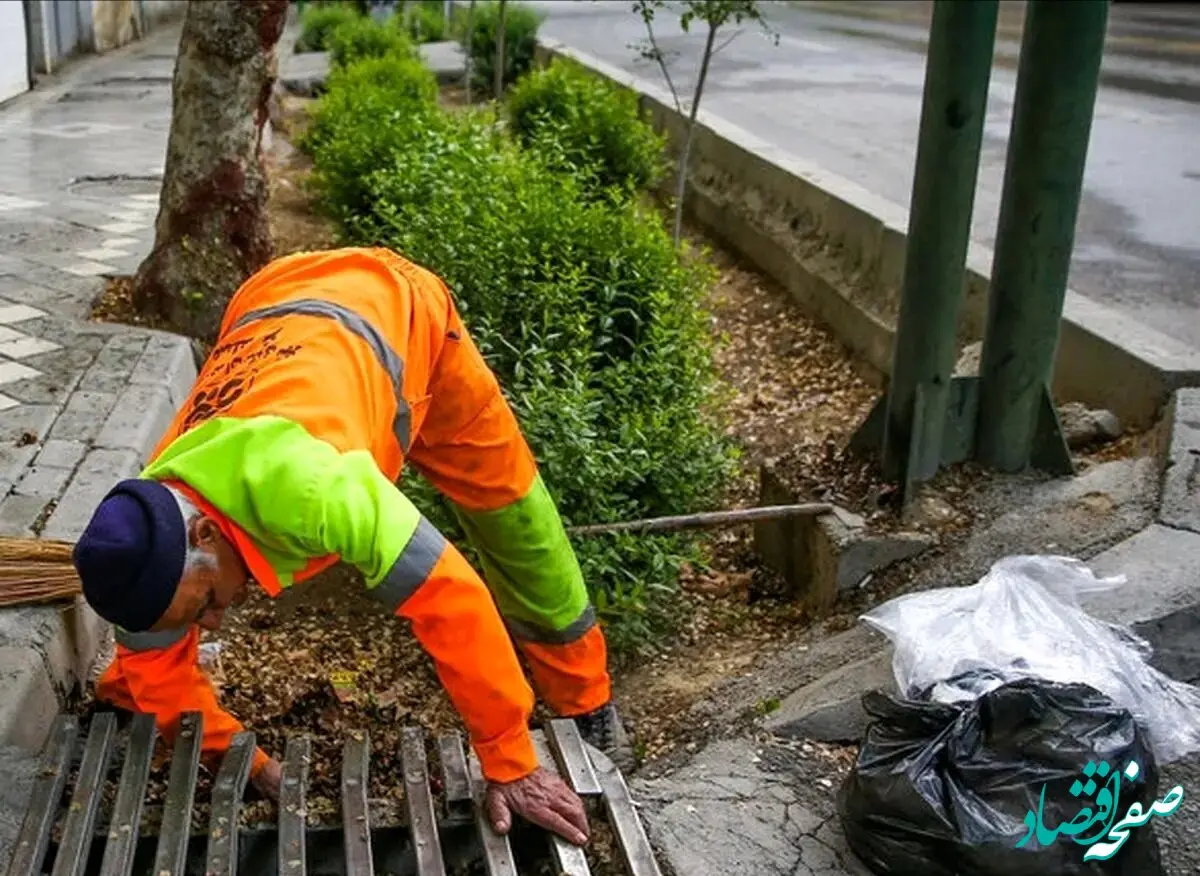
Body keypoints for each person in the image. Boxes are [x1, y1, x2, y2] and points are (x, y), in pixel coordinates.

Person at [72, 247, 632, 846]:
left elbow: (450, 598)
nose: (213, 622)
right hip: (272, 299)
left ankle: (586, 701)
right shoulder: (144, 537)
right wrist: (244, 761)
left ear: (204, 532)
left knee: (512, 515)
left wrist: (510, 759)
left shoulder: (315, 488)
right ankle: (124, 698)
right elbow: (155, 660)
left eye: (206, 602)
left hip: (401, 309)